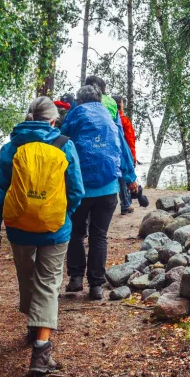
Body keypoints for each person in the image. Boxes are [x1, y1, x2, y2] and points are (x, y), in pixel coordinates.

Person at [0, 97, 84, 375]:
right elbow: (76, 191)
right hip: (55, 227)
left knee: (27, 276)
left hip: (18, 227)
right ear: (53, 120)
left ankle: (33, 324)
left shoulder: (11, 147)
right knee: (49, 283)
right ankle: (41, 349)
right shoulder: (65, 145)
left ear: (28, 118)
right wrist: (63, 214)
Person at [61, 85, 137, 300]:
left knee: (76, 234)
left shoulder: (75, 115)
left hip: (80, 188)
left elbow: (61, 142)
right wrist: (131, 180)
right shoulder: (111, 117)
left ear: (80, 100)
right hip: (108, 189)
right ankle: (96, 286)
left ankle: (75, 279)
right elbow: (122, 149)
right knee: (99, 236)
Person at [113, 94, 137, 215]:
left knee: (119, 179)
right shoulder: (124, 120)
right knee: (123, 179)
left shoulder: (110, 119)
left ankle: (125, 204)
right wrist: (132, 156)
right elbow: (130, 140)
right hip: (124, 154)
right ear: (120, 105)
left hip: (113, 154)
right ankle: (125, 204)